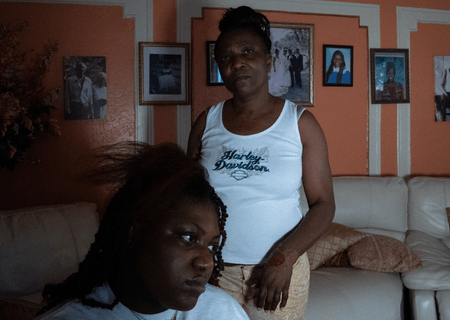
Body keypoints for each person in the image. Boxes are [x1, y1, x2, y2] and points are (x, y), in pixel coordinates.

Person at [187, 6, 335, 320]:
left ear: (268, 60)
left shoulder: (300, 123)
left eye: (247, 52)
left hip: (279, 273)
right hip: (215, 273)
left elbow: (324, 204)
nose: (237, 62)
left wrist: (284, 258)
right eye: (225, 57)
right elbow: (187, 199)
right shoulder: (206, 122)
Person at [35, 142, 249, 320]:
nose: (206, 262)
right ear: (134, 231)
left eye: (212, 246)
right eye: (188, 237)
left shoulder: (222, 312)